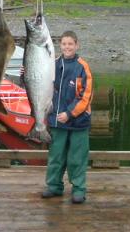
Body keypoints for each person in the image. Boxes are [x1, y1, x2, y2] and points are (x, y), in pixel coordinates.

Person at [41, 30, 93, 204]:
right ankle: (54, 186)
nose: (67, 47)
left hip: (78, 122)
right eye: (64, 44)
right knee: (56, 156)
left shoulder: (82, 66)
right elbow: (41, 82)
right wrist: (25, 73)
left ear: (77, 45)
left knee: (77, 158)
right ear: (60, 46)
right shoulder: (53, 64)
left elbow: (86, 95)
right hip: (57, 120)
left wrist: (70, 113)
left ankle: (78, 188)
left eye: (70, 44)